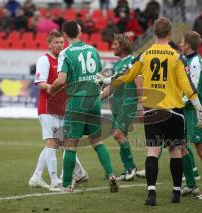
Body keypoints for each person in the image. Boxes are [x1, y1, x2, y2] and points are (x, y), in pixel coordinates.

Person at [111, 18, 202, 206]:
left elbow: (128, 76)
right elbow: (188, 87)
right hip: (174, 111)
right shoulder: (177, 56)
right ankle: (176, 192)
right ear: (170, 33)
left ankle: (151, 194)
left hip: (153, 112)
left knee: (152, 152)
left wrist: (107, 82)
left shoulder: (144, 55)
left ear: (154, 32)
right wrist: (199, 111)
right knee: (175, 151)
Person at [48, 21, 118, 192]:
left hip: (77, 101)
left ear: (64, 36)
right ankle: (111, 174)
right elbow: (99, 77)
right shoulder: (93, 50)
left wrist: (51, 89)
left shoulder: (65, 53)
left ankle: (65, 185)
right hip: (94, 101)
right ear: (80, 33)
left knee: (70, 143)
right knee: (97, 141)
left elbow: (62, 79)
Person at [29, 29, 87, 191]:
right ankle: (55, 181)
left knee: (57, 143)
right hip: (47, 108)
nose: (60, 45)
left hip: (61, 108)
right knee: (52, 142)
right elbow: (40, 83)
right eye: (56, 42)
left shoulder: (65, 59)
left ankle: (37, 176)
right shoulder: (44, 60)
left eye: (62, 42)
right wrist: (55, 88)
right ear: (49, 43)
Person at [100, 34, 142, 181]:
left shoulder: (134, 62)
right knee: (120, 136)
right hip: (117, 106)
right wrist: (96, 99)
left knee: (118, 134)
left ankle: (131, 167)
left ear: (123, 46)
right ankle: (127, 169)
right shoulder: (117, 65)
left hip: (128, 104)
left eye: (115, 44)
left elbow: (139, 84)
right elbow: (111, 88)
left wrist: (141, 105)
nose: (112, 46)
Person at [180, 31, 202, 200]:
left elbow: (191, 90)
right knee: (181, 145)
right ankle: (190, 184)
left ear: (187, 45)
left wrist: (176, 102)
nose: (180, 44)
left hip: (197, 112)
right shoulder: (189, 60)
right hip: (188, 111)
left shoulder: (195, 63)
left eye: (181, 42)